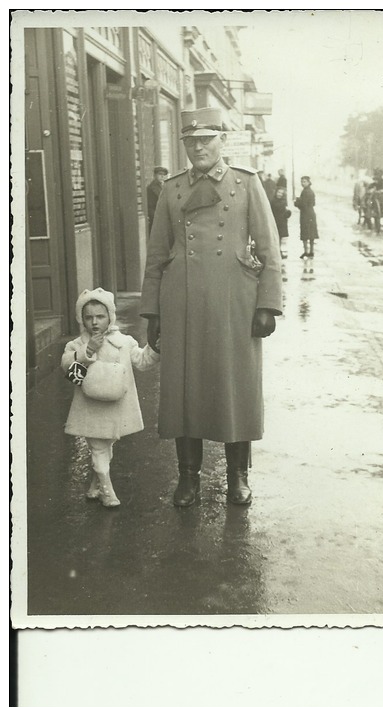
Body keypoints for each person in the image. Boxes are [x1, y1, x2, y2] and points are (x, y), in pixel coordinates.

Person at [140, 106, 282, 507]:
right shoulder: (172, 189)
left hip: (235, 302)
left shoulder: (246, 182)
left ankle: (238, 476)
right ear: (184, 144)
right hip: (182, 300)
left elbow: (269, 249)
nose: (199, 147)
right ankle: (188, 479)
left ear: (222, 140)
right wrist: (152, 311)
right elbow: (156, 255)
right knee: (185, 390)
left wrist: (267, 304)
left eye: (207, 139)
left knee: (235, 388)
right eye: (191, 140)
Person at [61, 287, 160, 507]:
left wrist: (155, 349)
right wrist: (87, 351)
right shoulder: (76, 345)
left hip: (116, 407)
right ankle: (107, 492)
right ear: (81, 319)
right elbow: (70, 372)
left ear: (110, 317)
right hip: (90, 408)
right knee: (99, 448)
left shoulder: (123, 342)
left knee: (107, 447)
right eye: (88, 317)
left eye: (100, 316)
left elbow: (142, 361)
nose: (94, 322)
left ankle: (95, 486)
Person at [294, 175, 319, 259]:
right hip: (311, 213)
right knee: (311, 234)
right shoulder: (311, 191)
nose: (302, 183)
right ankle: (311, 252)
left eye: (304, 181)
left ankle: (306, 251)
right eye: (302, 181)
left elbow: (303, 205)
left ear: (308, 182)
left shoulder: (305, 192)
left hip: (305, 214)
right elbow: (314, 203)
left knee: (305, 233)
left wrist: (297, 202)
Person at [270, 186, 291, 259]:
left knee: (283, 238)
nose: (279, 194)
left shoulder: (283, 202)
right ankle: (277, 251)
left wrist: (288, 213)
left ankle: (283, 251)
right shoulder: (273, 201)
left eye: (281, 193)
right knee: (276, 237)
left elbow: (286, 212)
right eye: (278, 192)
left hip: (282, 222)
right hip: (275, 221)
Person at [146, 166, 168, 233]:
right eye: (160, 174)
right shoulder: (151, 188)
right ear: (155, 175)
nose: (162, 176)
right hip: (157, 220)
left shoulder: (163, 186)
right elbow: (150, 207)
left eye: (164, 175)